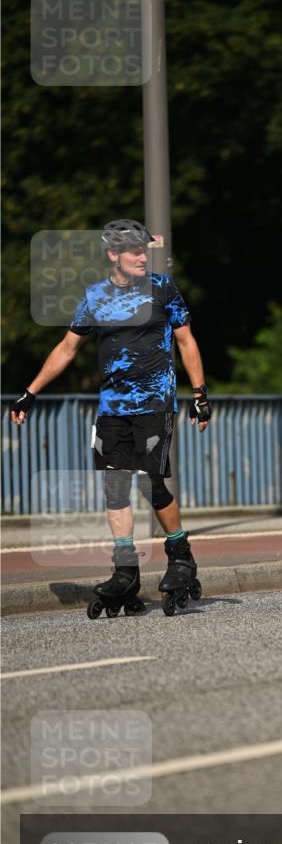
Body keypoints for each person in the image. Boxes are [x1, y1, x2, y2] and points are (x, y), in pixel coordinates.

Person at [10, 219, 211, 617]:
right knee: (115, 486)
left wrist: (200, 394)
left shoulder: (162, 289)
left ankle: (181, 555)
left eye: (144, 250)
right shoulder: (94, 297)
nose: (142, 256)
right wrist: (31, 392)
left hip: (155, 403)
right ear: (113, 255)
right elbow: (67, 348)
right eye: (134, 251)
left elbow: (186, 340)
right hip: (112, 408)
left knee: (151, 481)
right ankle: (125, 570)